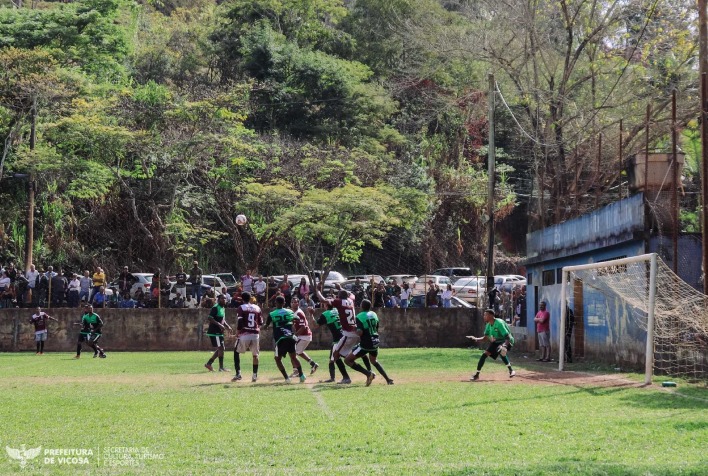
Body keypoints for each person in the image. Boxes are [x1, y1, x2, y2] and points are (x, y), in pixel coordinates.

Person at [316, 286, 371, 384]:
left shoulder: (339, 302)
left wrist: (317, 290)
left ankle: (352, 377)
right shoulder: (350, 300)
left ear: (339, 297)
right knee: (346, 356)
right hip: (354, 332)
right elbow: (352, 295)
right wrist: (341, 288)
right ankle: (366, 373)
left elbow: (322, 300)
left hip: (348, 334)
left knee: (336, 355)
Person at [345, 299, 394, 386]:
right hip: (375, 341)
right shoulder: (374, 314)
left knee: (347, 360)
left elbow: (360, 332)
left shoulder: (359, 316)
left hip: (366, 343)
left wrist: (355, 329)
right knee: (374, 361)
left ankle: (368, 374)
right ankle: (388, 379)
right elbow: (377, 327)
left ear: (362, 306)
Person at [264, 295, 306, 383]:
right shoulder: (290, 311)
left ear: (275, 303)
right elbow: (297, 318)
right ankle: (301, 375)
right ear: (284, 303)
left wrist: (264, 327)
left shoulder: (272, 314)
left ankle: (287, 378)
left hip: (280, 339)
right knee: (294, 357)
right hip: (290, 337)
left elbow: (266, 325)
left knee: (277, 359)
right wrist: (291, 320)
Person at [467, 309, 516, 380]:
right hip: (497, 342)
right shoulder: (488, 325)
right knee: (484, 355)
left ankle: (511, 371)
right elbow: (485, 338)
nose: (484, 316)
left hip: (507, 340)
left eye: (485, 315)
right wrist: (476, 338)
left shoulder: (499, 323)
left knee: (501, 350)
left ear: (491, 316)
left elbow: (507, 337)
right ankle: (477, 375)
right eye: (484, 315)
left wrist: (504, 346)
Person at [315, 301, 351, 383]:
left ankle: (345, 377)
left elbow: (315, 325)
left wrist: (311, 314)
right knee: (335, 358)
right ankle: (333, 378)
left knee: (337, 358)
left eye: (324, 304)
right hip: (344, 336)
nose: (323, 305)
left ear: (326, 305)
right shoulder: (336, 310)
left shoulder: (326, 314)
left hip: (337, 340)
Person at [231, 292, 263, 382]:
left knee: (236, 352)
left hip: (245, 334)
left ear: (242, 299)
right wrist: (256, 329)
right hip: (255, 334)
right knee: (255, 355)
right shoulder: (257, 308)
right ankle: (254, 375)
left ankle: (238, 374)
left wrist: (237, 333)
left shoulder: (241, 308)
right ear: (250, 298)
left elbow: (240, 322)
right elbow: (261, 322)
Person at [289, 297, 319, 377]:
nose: (294, 303)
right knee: (299, 352)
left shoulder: (299, 313)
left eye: (296, 302)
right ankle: (313, 364)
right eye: (292, 302)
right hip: (303, 336)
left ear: (298, 303)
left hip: (304, 336)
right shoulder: (294, 312)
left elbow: (304, 327)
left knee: (293, 353)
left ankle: (296, 371)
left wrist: (295, 335)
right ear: (290, 304)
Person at [205, 294, 232, 372]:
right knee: (221, 348)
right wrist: (219, 325)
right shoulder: (215, 307)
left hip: (219, 331)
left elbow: (223, 320)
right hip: (214, 331)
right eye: (222, 299)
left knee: (221, 348)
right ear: (219, 299)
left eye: (225, 299)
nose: (224, 300)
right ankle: (221, 367)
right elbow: (210, 318)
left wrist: (228, 326)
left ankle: (209, 364)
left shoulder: (223, 308)